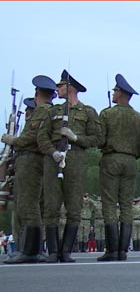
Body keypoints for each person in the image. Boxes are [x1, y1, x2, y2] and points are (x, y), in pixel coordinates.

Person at [38, 70, 102, 263]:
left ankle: (66, 251)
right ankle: (52, 252)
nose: (57, 89)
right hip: (54, 158)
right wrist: (52, 152)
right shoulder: (53, 111)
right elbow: (42, 136)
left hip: (75, 157)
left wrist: (76, 138)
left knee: (74, 207)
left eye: (61, 86)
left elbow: (97, 138)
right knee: (51, 206)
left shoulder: (88, 112)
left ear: (71, 88)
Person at [3, 75, 57, 264]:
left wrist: (13, 141)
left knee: (28, 204)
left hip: (31, 160)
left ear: (37, 93)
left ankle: (30, 250)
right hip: (31, 160)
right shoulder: (46, 110)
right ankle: (30, 249)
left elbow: (33, 137)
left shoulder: (42, 110)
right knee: (30, 204)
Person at [95, 74, 140, 261]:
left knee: (109, 203)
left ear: (120, 93)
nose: (113, 93)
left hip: (111, 159)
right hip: (130, 161)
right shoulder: (139, 117)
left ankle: (112, 249)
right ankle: (123, 250)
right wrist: (132, 155)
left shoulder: (107, 114)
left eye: (115, 91)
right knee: (126, 204)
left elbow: (100, 140)